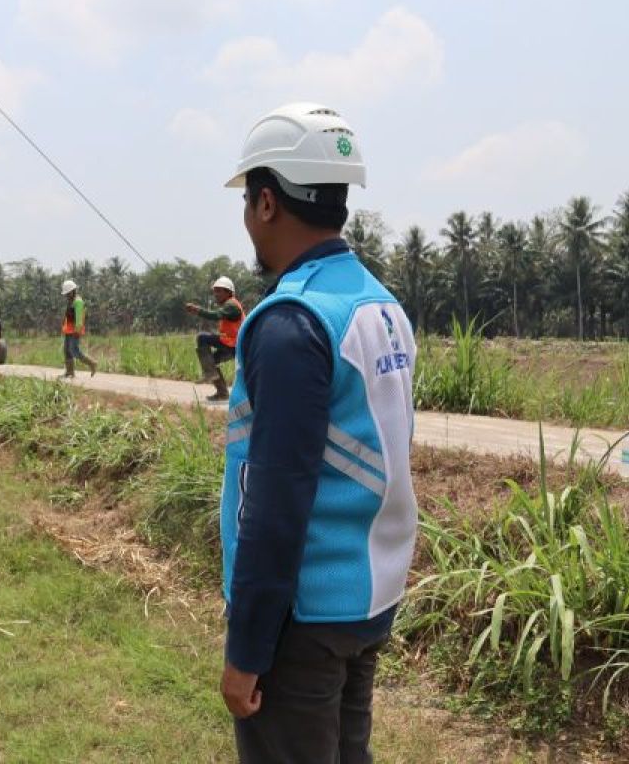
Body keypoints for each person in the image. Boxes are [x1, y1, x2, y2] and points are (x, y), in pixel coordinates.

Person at [218, 102, 417, 763]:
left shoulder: (291, 323)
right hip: (367, 600)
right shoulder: (379, 305)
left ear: (267, 202)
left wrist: (247, 649)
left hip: (302, 619)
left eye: (248, 200)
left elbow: (277, 502)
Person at [185, 276, 244, 401]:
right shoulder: (229, 305)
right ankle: (222, 393)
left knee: (202, 337)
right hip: (232, 344)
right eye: (214, 291)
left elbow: (216, 315)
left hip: (233, 343)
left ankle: (209, 373)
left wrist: (197, 310)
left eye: (219, 291)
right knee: (212, 362)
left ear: (228, 292)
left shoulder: (231, 305)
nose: (215, 294)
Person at [60, 279, 97, 378]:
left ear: (73, 291)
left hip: (75, 330)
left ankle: (92, 363)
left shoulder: (78, 302)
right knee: (67, 351)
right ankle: (70, 372)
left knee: (74, 350)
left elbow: (79, 318)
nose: (67, 295)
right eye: (66, 294)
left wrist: (77, 331)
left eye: (68, 293)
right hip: (68, 330)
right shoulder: (71, 301)